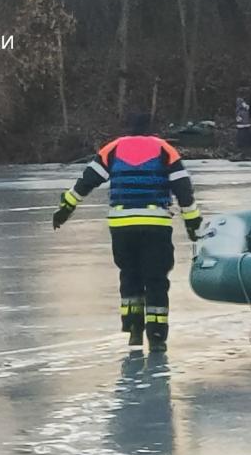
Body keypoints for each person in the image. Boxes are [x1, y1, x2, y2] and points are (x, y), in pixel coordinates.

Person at [51, 112, 202, 354]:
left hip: (122, 225)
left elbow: (87, 181)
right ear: (151, 129)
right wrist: (193, 223)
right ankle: (156, 336)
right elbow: (183, 190)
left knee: (129, 274)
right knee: (156, 279)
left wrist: (66, 207)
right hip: (155, 224)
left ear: (128, 129)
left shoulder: (114, 148)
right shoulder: (164, 149)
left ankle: (133, 330)